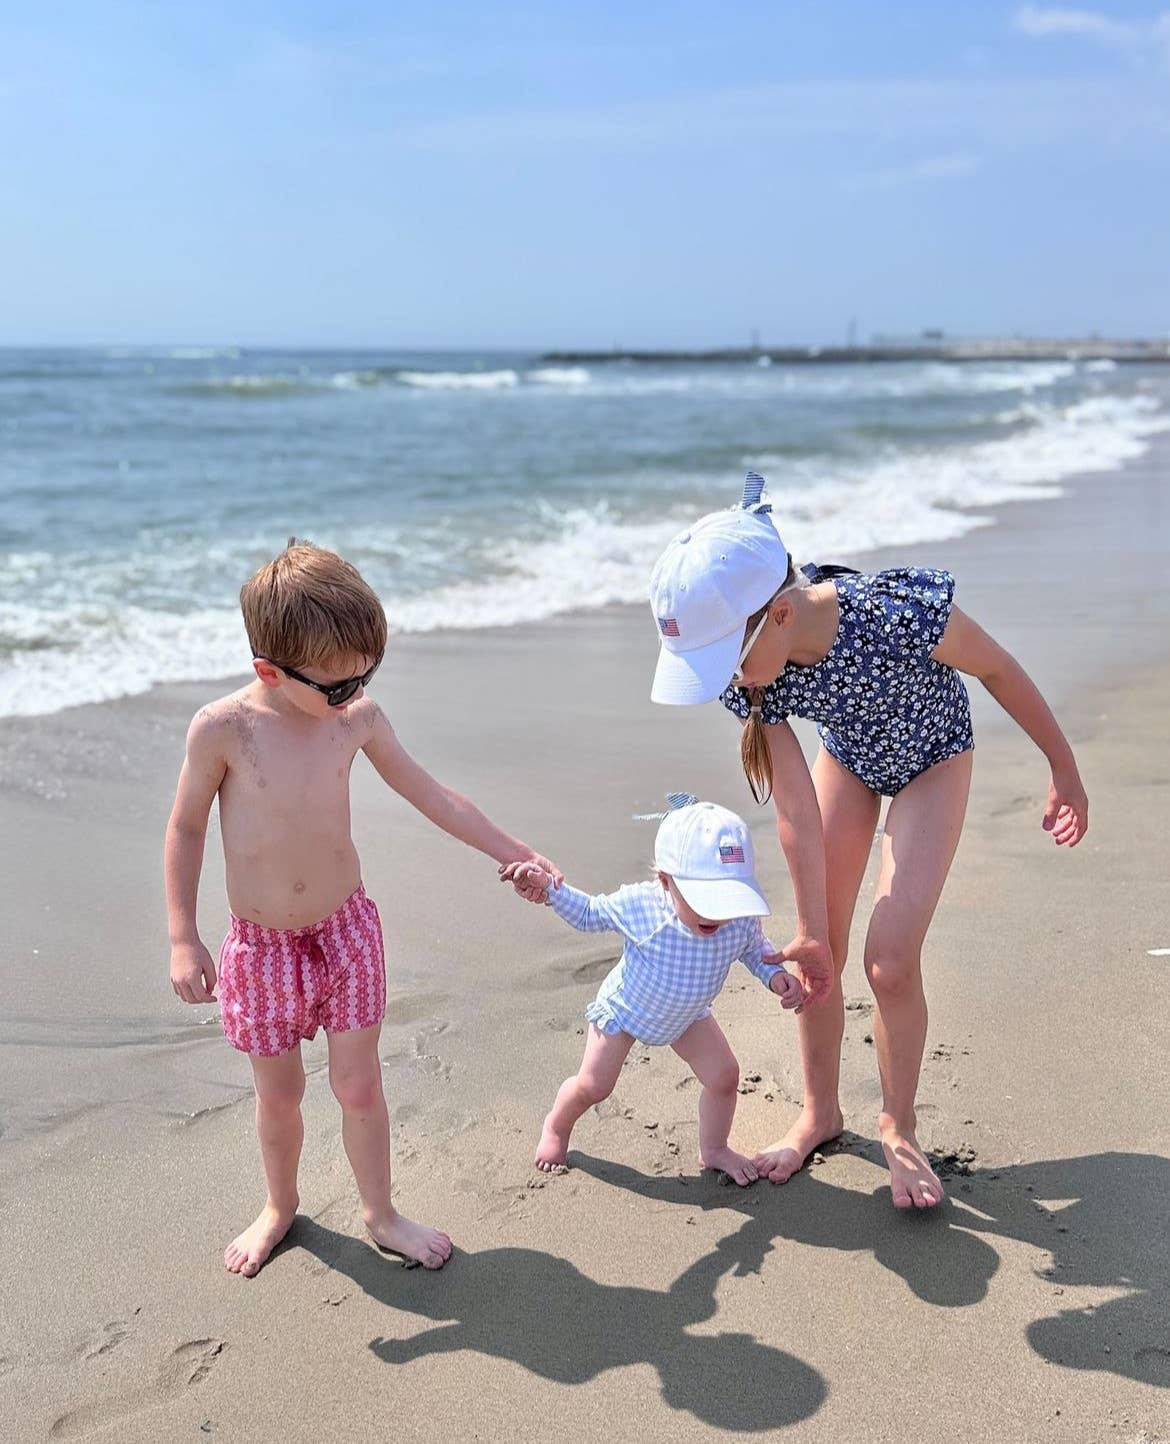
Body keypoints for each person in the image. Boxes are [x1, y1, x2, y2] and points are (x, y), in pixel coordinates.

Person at [647, 474, 1088, 1208]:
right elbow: (793, 805)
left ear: (779, 614)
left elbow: (998, 668)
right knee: (822, 953)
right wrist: (811, 929)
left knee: (888, 961)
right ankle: (820, 1113)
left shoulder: (894, 614)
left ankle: (898, 1124)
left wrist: (1064, 769)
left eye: (725, 657)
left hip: (933, 761)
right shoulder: (756, 675)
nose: (723, 677)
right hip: (850, 762)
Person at [165, 539, 558, 1274]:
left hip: (346, 934)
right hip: (263, 947)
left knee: (359, 1085)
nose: (353, 697)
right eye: (337, 687)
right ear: (269, 671)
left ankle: (380, 1213)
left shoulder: (358, 720)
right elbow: (186, 827)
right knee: (279, 1098)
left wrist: (516, 850)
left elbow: (436, 796)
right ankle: (280, 1206)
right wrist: (183, 936)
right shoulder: (224, 730)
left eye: (365, 678)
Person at [505, 794, 803, 1185]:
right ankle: (557, 1126)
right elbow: (592, 913)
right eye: (704, 901)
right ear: (666, 881)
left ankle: (714, 1148)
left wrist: (774, 976)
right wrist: (551, 891)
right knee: (594, 1085)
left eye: (726, 900)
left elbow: (753, 948)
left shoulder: (739, 921)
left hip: (687, 1015)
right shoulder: (643, 906)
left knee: (725, 1076)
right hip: (626, 1011)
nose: (717, 914)